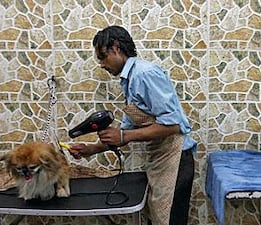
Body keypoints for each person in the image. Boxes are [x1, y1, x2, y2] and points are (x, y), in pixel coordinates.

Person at [69, 25, 197, 225]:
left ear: (116, 48)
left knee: (169, 220)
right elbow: (126, 130)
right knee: (158, 218)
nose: (101, 64)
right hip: (161, 159)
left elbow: (173, 125)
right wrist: (91, 149)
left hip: (176, 160)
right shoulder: (130, 80)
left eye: (102, 57)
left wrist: (124, 137)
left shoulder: (144, 74)